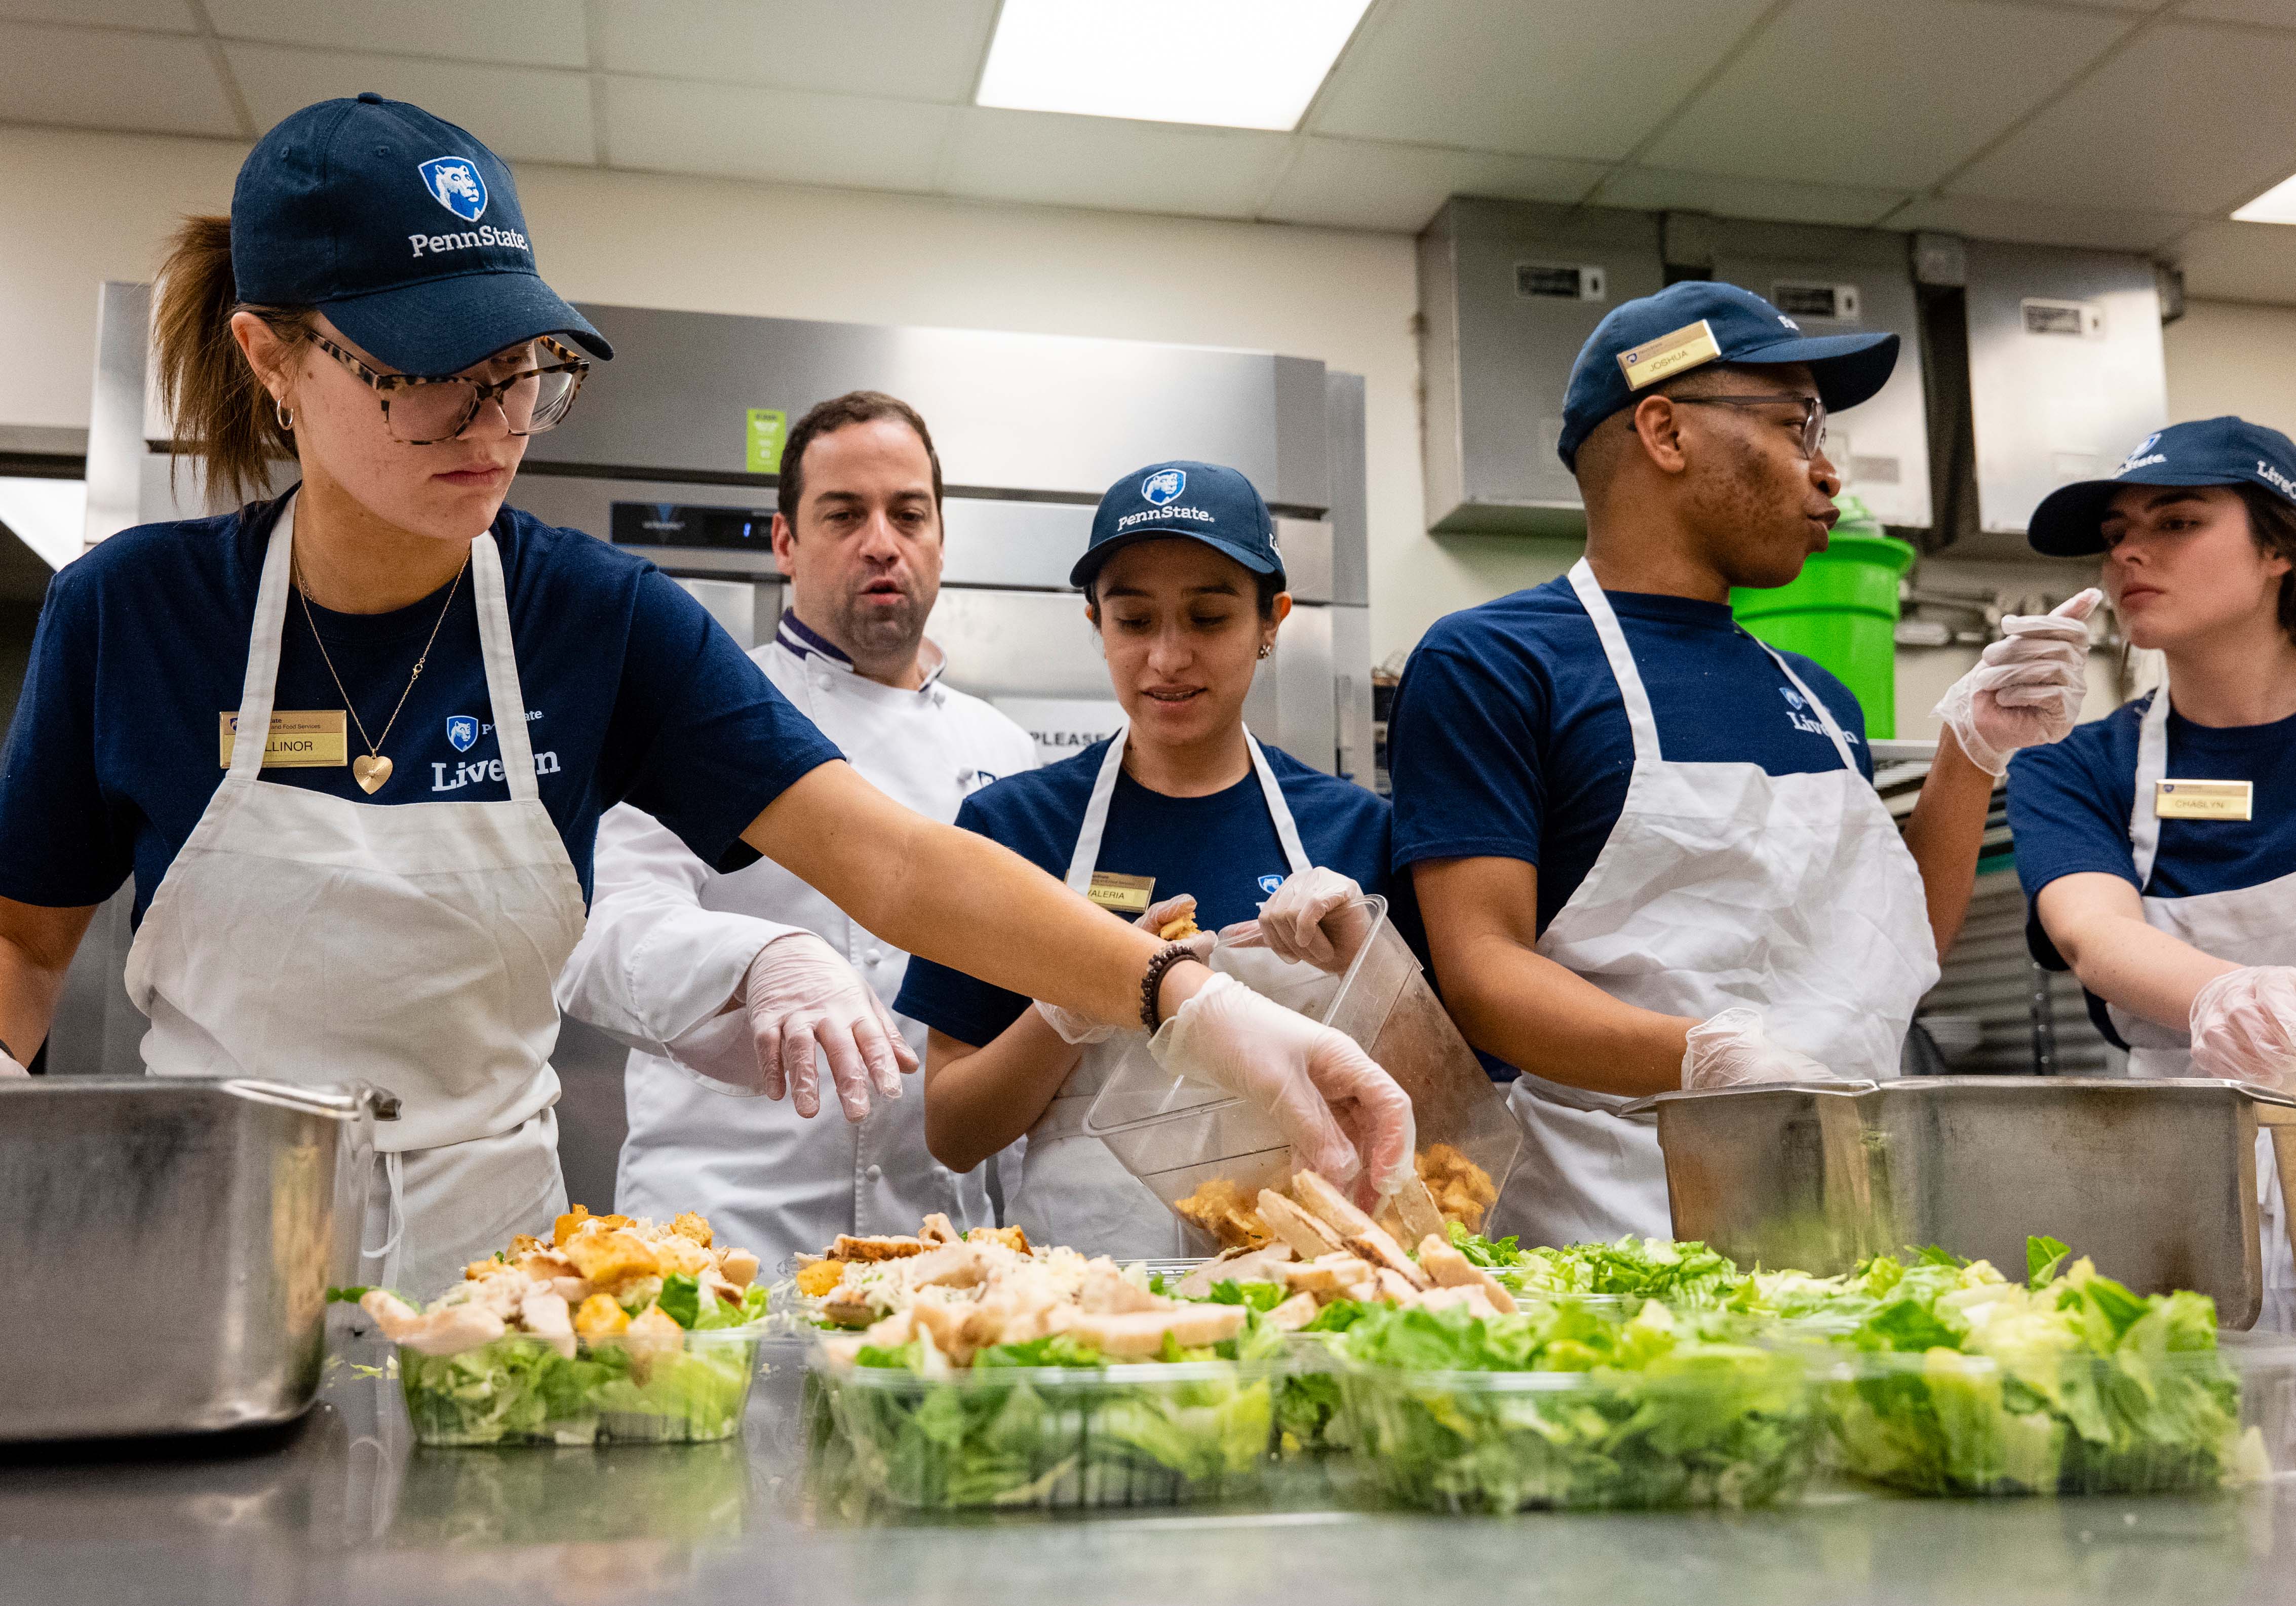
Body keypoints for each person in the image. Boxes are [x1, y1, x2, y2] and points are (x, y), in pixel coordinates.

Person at [0, 96, 1408, 1297]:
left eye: (518, 376)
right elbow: (23, 943)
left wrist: (1191, 1005)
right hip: (216, 1265)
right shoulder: (133, 613)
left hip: (496, 1281)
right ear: (272, 360)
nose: (494, 430)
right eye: (430, 380)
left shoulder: (595, 618)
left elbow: (896, 861)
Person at [1388, 281, 2097, 1244]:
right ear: (1665, 431)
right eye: (1797, 425)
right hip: (1606, 1231)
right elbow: (1483, 973)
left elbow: (1888, 949)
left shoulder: (1815, 695)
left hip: (1832, 1214)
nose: (1828, 474)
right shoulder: (1496, 661)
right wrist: (1708, 1058)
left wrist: (1970, 752)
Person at [555, 391, 1038, 1269]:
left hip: (939, 1239)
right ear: (785, 542)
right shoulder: (695, 714)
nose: (881, 542)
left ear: (939, 537)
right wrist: (756, 959)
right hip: (727, 1226)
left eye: (908, 514)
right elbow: (602, 932)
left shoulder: (1003, 749)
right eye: (844, 515)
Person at [894, 461, 1411, 1256]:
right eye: (1135, 622)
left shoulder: (1353, 831)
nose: (1167, 659)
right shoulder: (1013, 829)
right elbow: (955, 1132)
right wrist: (1072, 1004)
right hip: (1087, 1303)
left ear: (1271, 621)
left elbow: (1433, 1110)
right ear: (1096, 622)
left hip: (1309, 1287)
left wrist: (1369, 963)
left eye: (1207, 619)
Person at [2010, 416, 2296, 1327]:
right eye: (2115, 535)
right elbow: (2093, 936)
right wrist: (2240, 1003)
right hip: (2181, 1216)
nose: (2129, 553)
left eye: (2174, 523)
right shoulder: (2071, 765)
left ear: (2278, 550)